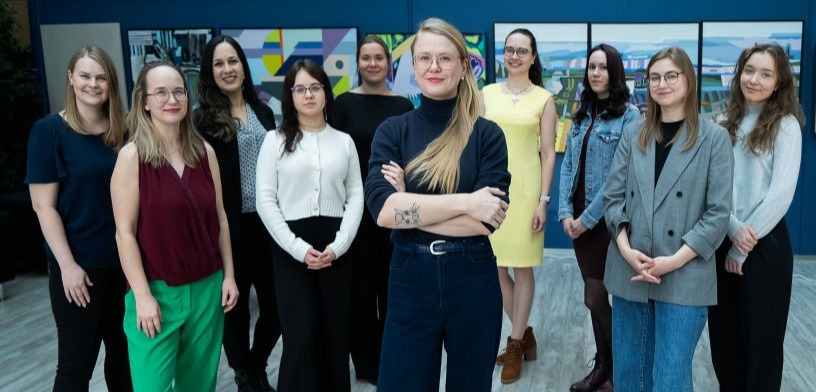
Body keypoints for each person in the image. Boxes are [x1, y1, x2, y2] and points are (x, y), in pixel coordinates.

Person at [365, 18, 511, 392]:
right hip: (410, 277)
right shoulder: (393, 131)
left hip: (472, 276)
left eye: (445, 58)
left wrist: (409, 207)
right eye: (425, 58)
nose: (434, 67)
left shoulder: (486, 136)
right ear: (412, 66)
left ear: (463, 67)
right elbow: (383, 212)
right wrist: (466, 202)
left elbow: (485, 222)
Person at [602, 47, 733, 391]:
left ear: (688, 80)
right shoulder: (634, 134)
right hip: (631, 268)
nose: (662, 84)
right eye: (655, 77)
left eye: (671, 76)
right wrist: (627, 250)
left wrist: (674, 260)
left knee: (669, 379)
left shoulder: (715, 139)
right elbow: (612, 198)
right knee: (630, 375)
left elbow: (718, 214)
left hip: (684, 272)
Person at [110, 61, 239, 391]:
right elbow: (124, 232)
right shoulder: (131, 157)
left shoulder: (204, 152)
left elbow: (221, 217)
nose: (172, 99)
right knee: (151, 385)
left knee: (199, 384)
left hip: (208, 288)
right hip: (156, 291)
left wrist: (229, 275)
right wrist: (141, 295)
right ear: (145, 102)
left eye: (179, 91)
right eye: (162, 92)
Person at [26, 46, 132, 392]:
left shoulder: (124, 131)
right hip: (80, 270)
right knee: (76, 365)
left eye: (101, 77)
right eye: (85, 76)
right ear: (71, 79)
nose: (93, 84)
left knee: (125, 359)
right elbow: (44, 206)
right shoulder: (49, 131)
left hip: (126, 265)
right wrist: (67, 266)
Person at [255, 59, 363, 392]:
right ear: (290, 96)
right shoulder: (274, 141)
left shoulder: (343, 141)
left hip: (335, 247)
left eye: (315, 87)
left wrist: (340, 245)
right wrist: (300, 249)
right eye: (300, 88)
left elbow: (356, 195)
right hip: (291, 248)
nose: (309, 94)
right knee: (300, 338)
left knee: (335, 336)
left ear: (326, 93)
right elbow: (265, 201)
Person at [707, 43, 805, 392]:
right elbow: (713, 186)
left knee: (762, 346)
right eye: (749, 70)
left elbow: (781, 194)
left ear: (779, 82)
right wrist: (733, 231)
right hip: (723, 239)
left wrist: (742, 244)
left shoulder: (786, 125)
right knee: (725, 343)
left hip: (766, 247)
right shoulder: (720, 122)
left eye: (766, 74)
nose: (754, 79)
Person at [196, 35, 281, 392]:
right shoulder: (203, 121)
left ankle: (256, 363)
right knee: (236, 309)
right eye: (219, 63)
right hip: (228, 228)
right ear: (210, 72)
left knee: (277, 307)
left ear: (244, 68)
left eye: (233, 61)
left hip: (267, 224)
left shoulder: (262, 111)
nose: (227, 69)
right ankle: (246, 376)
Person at [557, 43, 640, 392]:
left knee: (596, 297)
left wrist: (586, 219)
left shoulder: (630, 116)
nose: (595, 73)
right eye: (592, 67)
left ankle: (615, 368)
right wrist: (564, 212)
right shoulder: (582, 113)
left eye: (603, 67)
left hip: (607, 223)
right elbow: (568, 167)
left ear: (615, 72)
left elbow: (618, 179)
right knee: (595, 298)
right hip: (579, 220)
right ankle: (604, 368)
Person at [332, 34, 414, 386]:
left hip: (394, 210)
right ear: (358, 62)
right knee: (360, 293)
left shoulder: (403, 106)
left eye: (379, 57)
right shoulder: (342, 103)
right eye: (366, 58)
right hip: (354, 211)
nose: (373, 64)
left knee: (393, 289)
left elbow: (414, 158)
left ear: (388, 63)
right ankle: (365, 364)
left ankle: (391, 359)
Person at [480, 28, 557, 384]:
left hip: (526, 194)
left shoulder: (544, 99)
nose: (514, 56)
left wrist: (543, 201)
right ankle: (525, 335)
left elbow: (547, 155)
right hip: (490, 191)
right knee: (495, 269)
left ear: (533, 56)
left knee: (523, 269)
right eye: (509, 50)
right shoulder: (486, 94)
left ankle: (514, 344)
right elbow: (474, 144)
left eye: (521, 51)